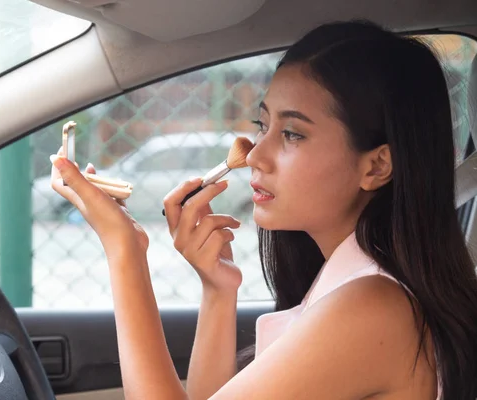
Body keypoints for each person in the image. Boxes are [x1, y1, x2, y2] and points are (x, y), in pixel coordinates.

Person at [50, 19, 477, 400]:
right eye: (262, 125)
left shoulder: (375, 306)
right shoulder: (355, 287)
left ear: (377, 165)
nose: (255, 155)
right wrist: (219, 290)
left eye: (292, 134)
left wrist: (124, 250)